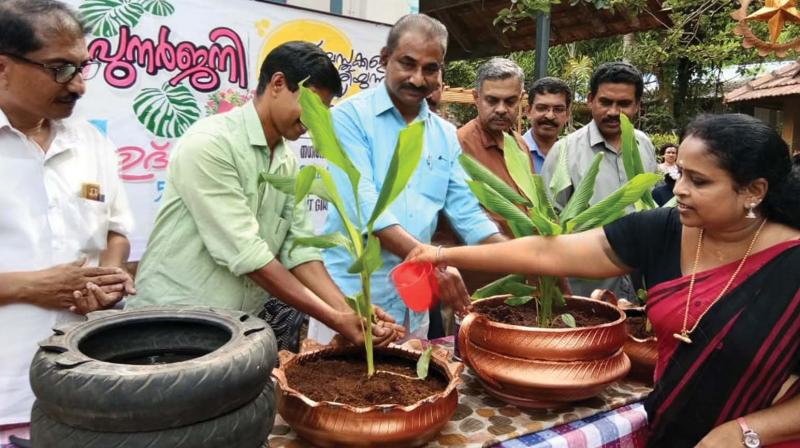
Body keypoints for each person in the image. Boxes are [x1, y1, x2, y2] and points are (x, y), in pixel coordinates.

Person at [409, 113, 800, 447]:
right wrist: (442, 254)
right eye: (680, 173)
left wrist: (744, 432)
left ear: (754, 191)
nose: (678, 189)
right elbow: (549, 252)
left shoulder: (791, 262)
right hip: (670, 428)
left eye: (699, 182)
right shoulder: (664, 230)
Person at [129, 41, 403, 351]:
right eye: (312, 106)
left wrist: (348, 309)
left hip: (231, 332)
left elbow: (297, 247)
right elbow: (248, 254)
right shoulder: (211, 144)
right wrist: (333, 318)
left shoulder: (285, 161)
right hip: (170, 326)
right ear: (277, 84)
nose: (317, 121)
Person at [308, 14, 504, 343]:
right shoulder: (348, 119)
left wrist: (524, 259)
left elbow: (468, 214)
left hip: (414, 306)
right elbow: (366, 207)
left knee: (410, 389)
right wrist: (435, 265)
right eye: (407, 64)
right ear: (385, 59)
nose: (417, 78)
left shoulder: (444, 135)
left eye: (431, 69)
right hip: (351, 302)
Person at [0, 0, 135, 436]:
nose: (78, 86)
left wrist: (107, 279)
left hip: (82, 384)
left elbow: (116, 230)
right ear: (3, 67)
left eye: (82, 68)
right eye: (59, 68)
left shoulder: (92, 143)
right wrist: (28, 286)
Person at [542, 61, 657, 300]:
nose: (613, 112)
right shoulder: (564, 152)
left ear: (637, 106)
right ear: (590, 100)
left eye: (624, 104)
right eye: (605, 102)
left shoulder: (643, 144)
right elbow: (550, 226)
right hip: (587, 287)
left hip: (641, 284)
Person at [522, 77, 572, 173]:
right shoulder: (512, 152)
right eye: (542, 108)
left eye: (558, 109)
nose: (550, 116)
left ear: (567, 115)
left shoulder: (573, 155)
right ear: (528, 111)